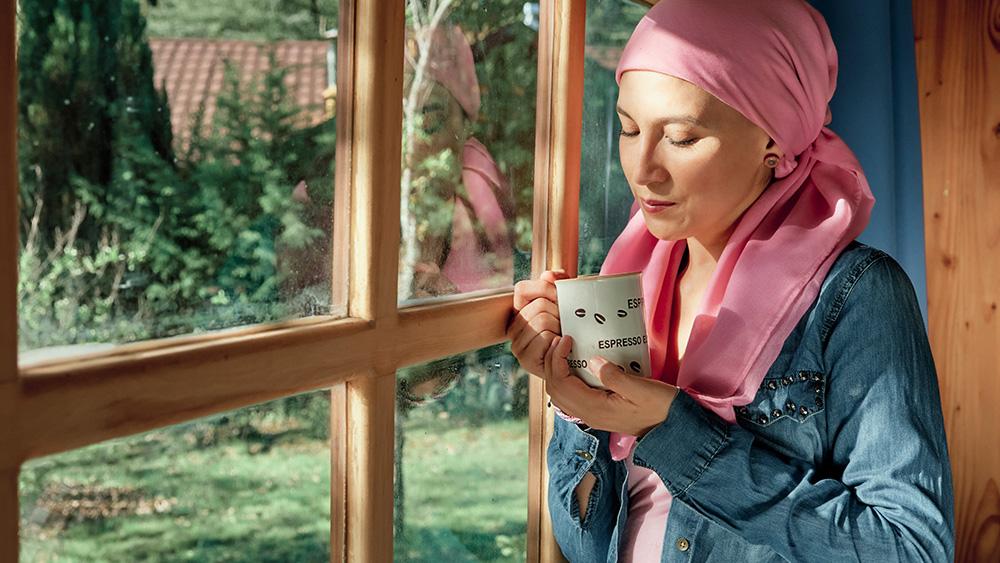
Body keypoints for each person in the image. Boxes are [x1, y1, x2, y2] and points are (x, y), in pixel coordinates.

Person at [505, 0, 954, 561]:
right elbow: (587, 546)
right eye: (628, 129)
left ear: (773, 142)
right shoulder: (623, 291)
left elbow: (911, 549)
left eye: (681, 137)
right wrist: (578, 406)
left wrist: (676, 432)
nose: (641, 170)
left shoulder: (858, 296)